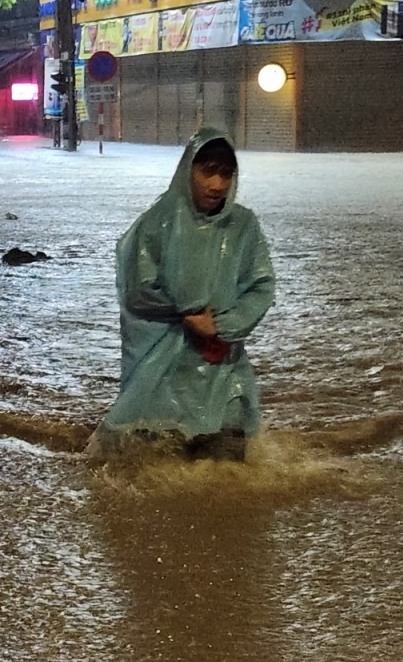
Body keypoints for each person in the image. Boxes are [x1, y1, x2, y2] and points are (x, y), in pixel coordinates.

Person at [87, 127, 275, 462]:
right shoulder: (157, 224)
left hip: (221, 370)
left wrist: (220, 325)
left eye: (226, 174)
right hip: (162, 376)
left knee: (227, 479)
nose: (217, 185)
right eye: (208, 172)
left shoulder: (244, 226)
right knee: (151, 473)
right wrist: (187, 313)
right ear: (188, 169)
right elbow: (136, 292)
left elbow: (261, 286)